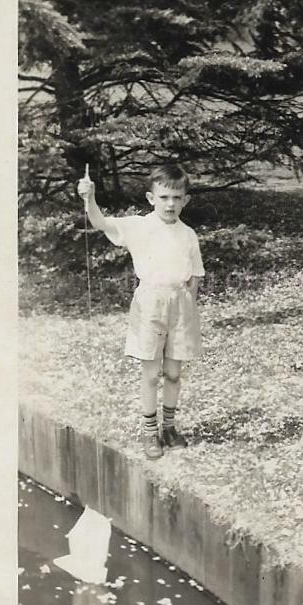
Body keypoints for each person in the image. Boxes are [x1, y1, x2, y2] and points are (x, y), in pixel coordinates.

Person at [77, 164, 205, 459]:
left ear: (185, 200)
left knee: (173, 373)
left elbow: (196, 274)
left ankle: (169, 428)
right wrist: (90, 198)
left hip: (181, 304)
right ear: (151, 198)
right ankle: (150, 433)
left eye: (176, 197)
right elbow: (100, 223)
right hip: (150, 303)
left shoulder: (188, 234)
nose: (170, 204)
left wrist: (188, 305)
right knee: (150, 374)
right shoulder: (138, 225)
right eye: (163, 197)